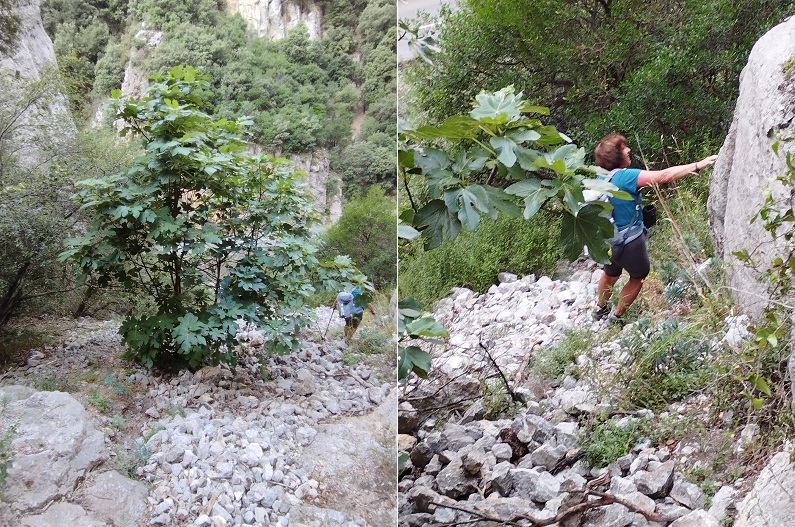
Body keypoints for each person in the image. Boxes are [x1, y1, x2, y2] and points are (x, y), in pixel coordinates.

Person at [591, 133, 718, 323]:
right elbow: (664, 176)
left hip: (607, 240)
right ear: (616, 156)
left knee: (610, 273)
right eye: (624, 148)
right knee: (638, 277)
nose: (628, 150)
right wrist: (698, 165)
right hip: (630, 243)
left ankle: (599, 309)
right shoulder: (626, 177)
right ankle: (616, 317)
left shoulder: (599, 177)